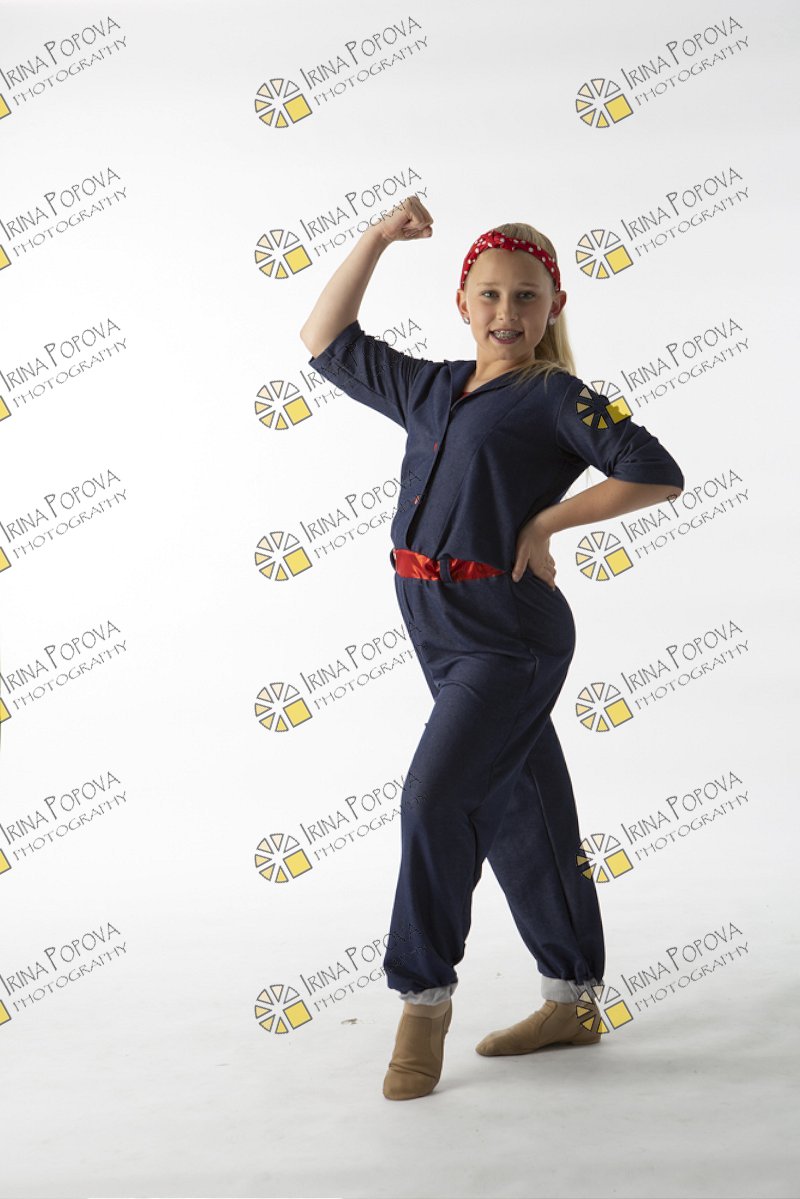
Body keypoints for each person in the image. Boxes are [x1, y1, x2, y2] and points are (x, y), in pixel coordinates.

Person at [299, 195, 684, 1101]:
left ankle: (422, 1000)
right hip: (435, 628)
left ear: (554, 308)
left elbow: (655, 471)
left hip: (509, 636)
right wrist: (377, 237)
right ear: (463, 303)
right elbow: (323, 339)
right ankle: (573, 999)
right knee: (524, 808)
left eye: (526, 296)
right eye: (491, 295)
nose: (507, 312)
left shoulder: (555, 395)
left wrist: (546, 521)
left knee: (435, 797)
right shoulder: (431, 387)